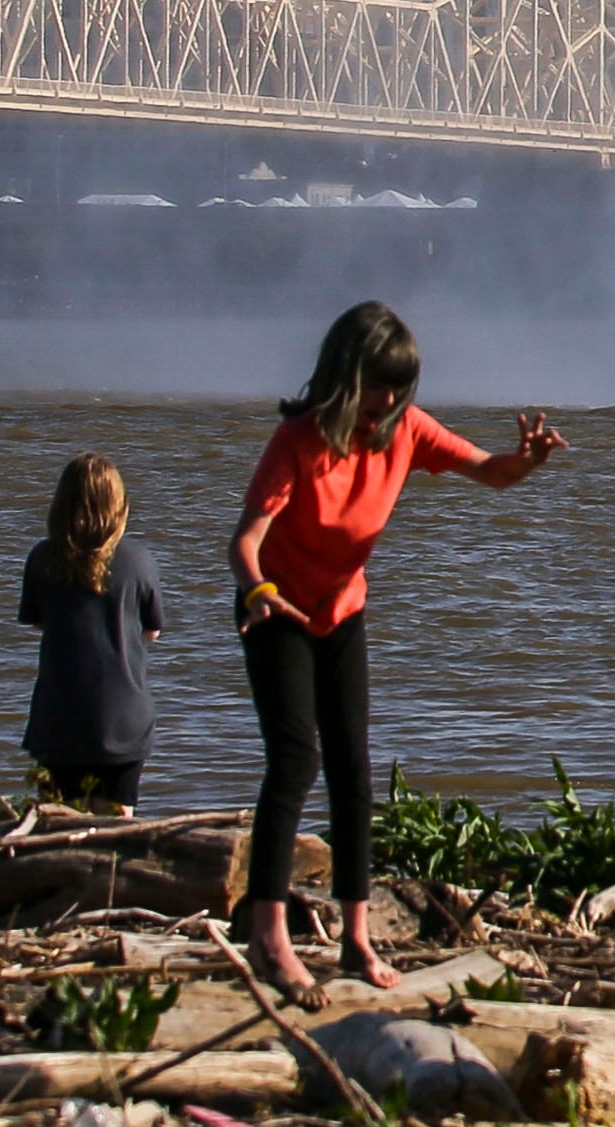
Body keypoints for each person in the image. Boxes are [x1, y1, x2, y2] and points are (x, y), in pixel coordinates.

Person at [231, 303, 565, 994]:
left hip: (342, 612)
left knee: (353, 772)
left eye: (400, 387)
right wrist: (258, 588)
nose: (389, 401)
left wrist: (525, 461)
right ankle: (268, 934)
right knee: (295, 760)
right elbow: (244, 539)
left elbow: (490, 471)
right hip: (277, 609)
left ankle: (355, 937)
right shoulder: (296, 439)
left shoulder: (404, 430)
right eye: (380, 385)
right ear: (347, 375)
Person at [18, 454, 162, 810]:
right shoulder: (139, 559)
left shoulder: (42, 558)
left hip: (59, 722)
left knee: (58, 826)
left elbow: (37, 621)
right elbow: (152, 631)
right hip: (124, 720)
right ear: (119, 505)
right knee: (118, 827)